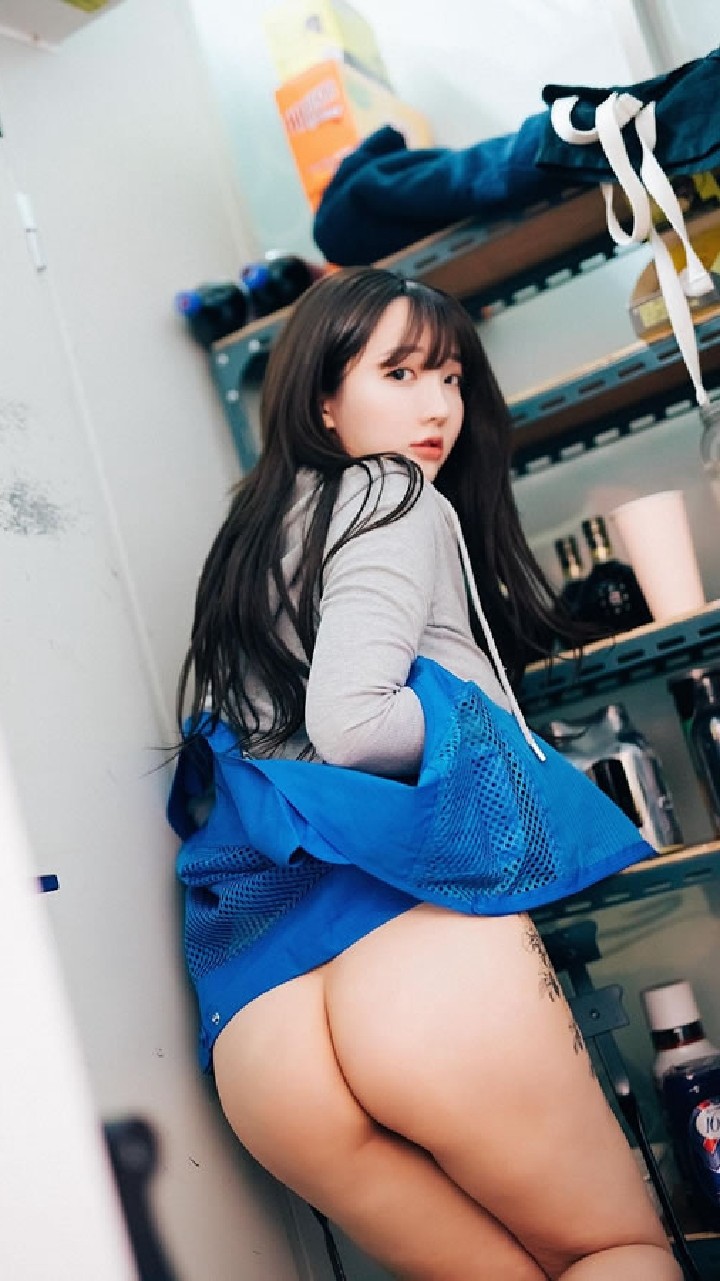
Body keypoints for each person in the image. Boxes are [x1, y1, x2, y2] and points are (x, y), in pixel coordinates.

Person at [171, 267, 681, 1280]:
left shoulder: (251, 534)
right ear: (323, 399)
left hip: (262, 1023)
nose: (438, 406)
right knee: (614, 1251)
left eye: (450, 377)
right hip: (405, 944)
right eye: (399, 373)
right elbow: (353, 724)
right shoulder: (391, 490)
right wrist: (482, 731)